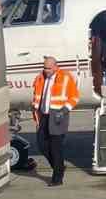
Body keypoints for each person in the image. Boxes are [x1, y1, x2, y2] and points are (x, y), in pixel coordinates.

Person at [31, 55, 80, 186]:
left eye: (48, 68)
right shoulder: (40, 78)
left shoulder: (65, 77)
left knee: (56, 147)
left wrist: (63, 111)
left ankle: (57, 178)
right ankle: (59, 167)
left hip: (57, 116)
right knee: (42, 145)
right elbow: (37, 96)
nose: (46, 70)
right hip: (43, 116)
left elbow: (74, 97)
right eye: (44, 67)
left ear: (55, 67)